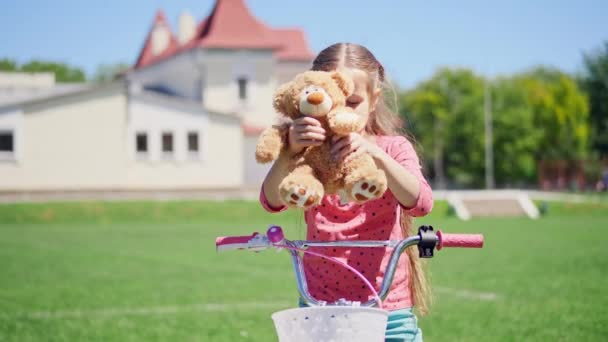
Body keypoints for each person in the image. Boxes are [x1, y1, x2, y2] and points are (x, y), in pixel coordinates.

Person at [259, 42, 433, 342]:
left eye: (352, 102)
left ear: (374, 98)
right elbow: (271, 201)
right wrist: (289, 154)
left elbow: (420, 203)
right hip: (319, 306)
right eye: (333, 102)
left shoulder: (393, 148)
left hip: (387, 308)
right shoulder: (306, 152)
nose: (341, 113)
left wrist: (376, 156)